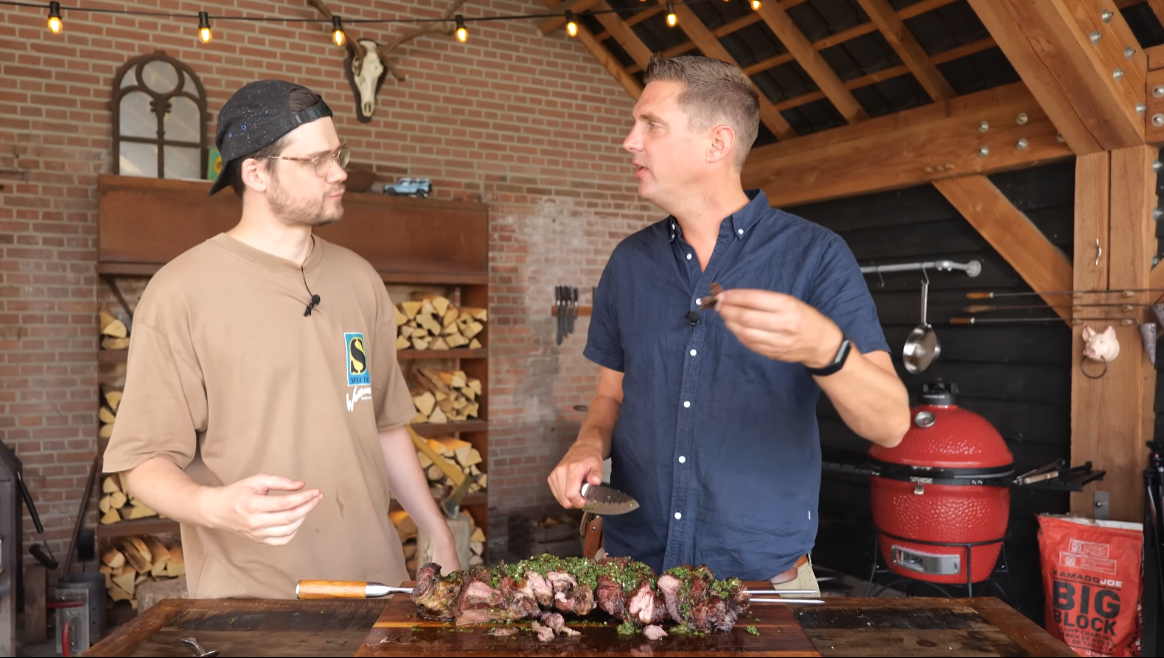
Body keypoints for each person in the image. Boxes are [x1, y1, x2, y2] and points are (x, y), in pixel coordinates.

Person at [547, 56, 910, 595]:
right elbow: (610, 396)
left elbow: (891, 425)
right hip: (626, 578)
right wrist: (586, 446)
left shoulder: (816, 256)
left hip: (763, 588)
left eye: (651, 125)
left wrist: (825, 348)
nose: (629, 142)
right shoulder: (628, 262)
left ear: (716, 143)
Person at [101, 80, 460, 599]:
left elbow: (383, 425)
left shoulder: (359, 280)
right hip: (251, 602)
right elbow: (142, 461)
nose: (339, 173)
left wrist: (436, 531)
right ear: (255, 173)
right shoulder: (181, 292)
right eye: (315, 161)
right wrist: (215, 506)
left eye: (337, 155)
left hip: (377, 586)